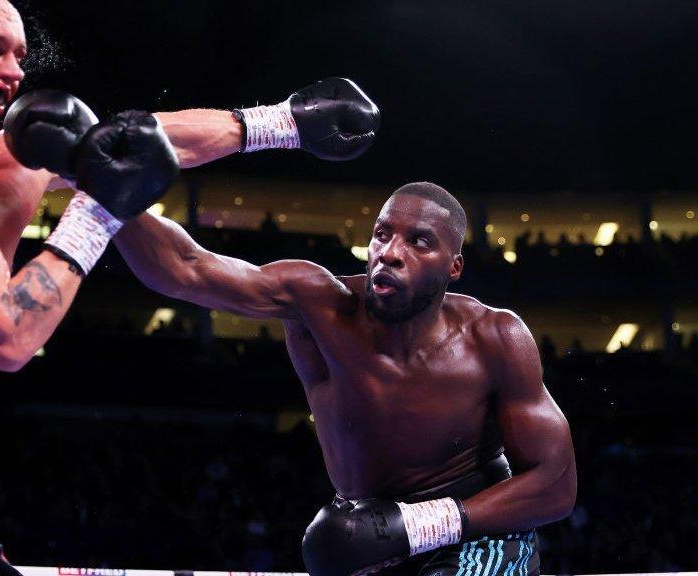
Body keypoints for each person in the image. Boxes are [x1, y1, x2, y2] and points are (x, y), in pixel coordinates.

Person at [0, 0, 380, 574]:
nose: (14, 70)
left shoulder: (9, 170)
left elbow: (149, 137)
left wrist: (286, 122)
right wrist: (96, 210)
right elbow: (6, 332)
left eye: (20, 55)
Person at [115, 182, 577, 575]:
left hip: (478, 528)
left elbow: (556, 483)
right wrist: (109, 193)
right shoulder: (318, 305)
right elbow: (186, 268)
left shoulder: (494, 336)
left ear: (453, 267)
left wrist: (421, 525)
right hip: (369, 532)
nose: (391, 254)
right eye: (382, 234)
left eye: (419, 241)